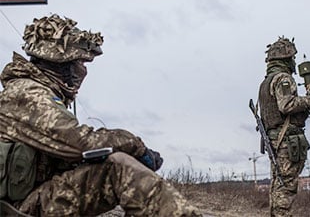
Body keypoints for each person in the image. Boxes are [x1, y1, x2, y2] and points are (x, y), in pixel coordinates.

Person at [0, 14, 202, 217]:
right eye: (81, 63)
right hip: (16, 209)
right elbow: (81, 143)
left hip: (26, 204)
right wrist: (135, 145)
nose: (84, 71)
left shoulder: (33, 92)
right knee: (117, 169)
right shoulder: (27, 93)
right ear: (64, 63)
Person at [258, 37, 310, 216]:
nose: (294, 61)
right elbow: (287, 105)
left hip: (276, 141)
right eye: (292, 57)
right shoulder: (283, 78)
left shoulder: (266, 82)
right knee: (286, 188)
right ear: (286, 59)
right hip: (287, 142)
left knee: (279, 186)